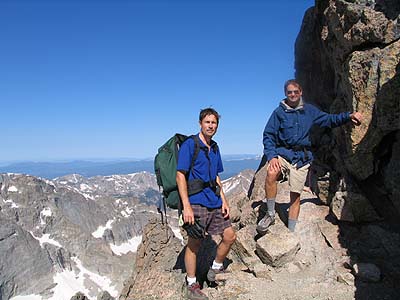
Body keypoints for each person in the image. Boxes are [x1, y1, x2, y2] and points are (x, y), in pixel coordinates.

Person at [257, 79, 362, 234]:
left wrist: (349, 116)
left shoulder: (310, 111)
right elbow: (268, 135)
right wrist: (272, 156)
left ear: (301, 93)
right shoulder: (278, 113)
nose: (292, 94)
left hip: (302, 158)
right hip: (284, 154)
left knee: (295, 196)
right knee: (271, 173)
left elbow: (329, 120)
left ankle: (290, 232)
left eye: (295, 92)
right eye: (289, 92)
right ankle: (270, 214)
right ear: (286, 94)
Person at [176, 107, 236, 300]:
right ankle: (192, 283)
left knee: (229, 236)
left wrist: (224, 200)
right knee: (195, 243)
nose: (211, 126)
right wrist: (186, 206)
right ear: (200, 123)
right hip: (196, 201)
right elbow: (180, 175)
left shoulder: (215, 147)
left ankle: (214, 270)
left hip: (214, 200)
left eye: (214, 123)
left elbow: (216, 176)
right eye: (207, 122)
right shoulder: (190, 145)